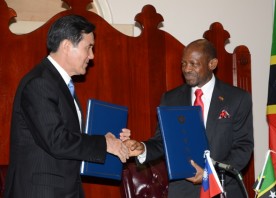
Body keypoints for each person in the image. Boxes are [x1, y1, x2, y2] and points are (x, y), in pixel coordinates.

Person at [4, 15, 130, 198]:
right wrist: (104, 144)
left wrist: (109, 140)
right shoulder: (39, 83)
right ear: (66, 46)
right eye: (89, 47)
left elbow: (70, 137)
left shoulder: (58, 83)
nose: (92, 56)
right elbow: (56, 140)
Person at [125, 39, 254, 198]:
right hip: (183, 191)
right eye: (183, 63)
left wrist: (210, 174)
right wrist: (142, 148)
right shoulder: (170, 99)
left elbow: (243, 147)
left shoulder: (237, 98)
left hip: (223, 189)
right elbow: (161, 141)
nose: (187, 69)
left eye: (194, 64)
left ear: (212, 64)